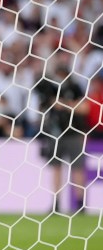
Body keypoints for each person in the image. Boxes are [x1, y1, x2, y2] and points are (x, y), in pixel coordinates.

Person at [35, 61, 89, 214]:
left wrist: (64, 104)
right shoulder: (50, 89)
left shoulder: (75, 87)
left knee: (78, 168)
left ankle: (80, 204)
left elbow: (85, 108)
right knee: (56, 168)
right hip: (55, 135)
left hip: (74, 134)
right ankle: (56, 204)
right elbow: (41, 107)